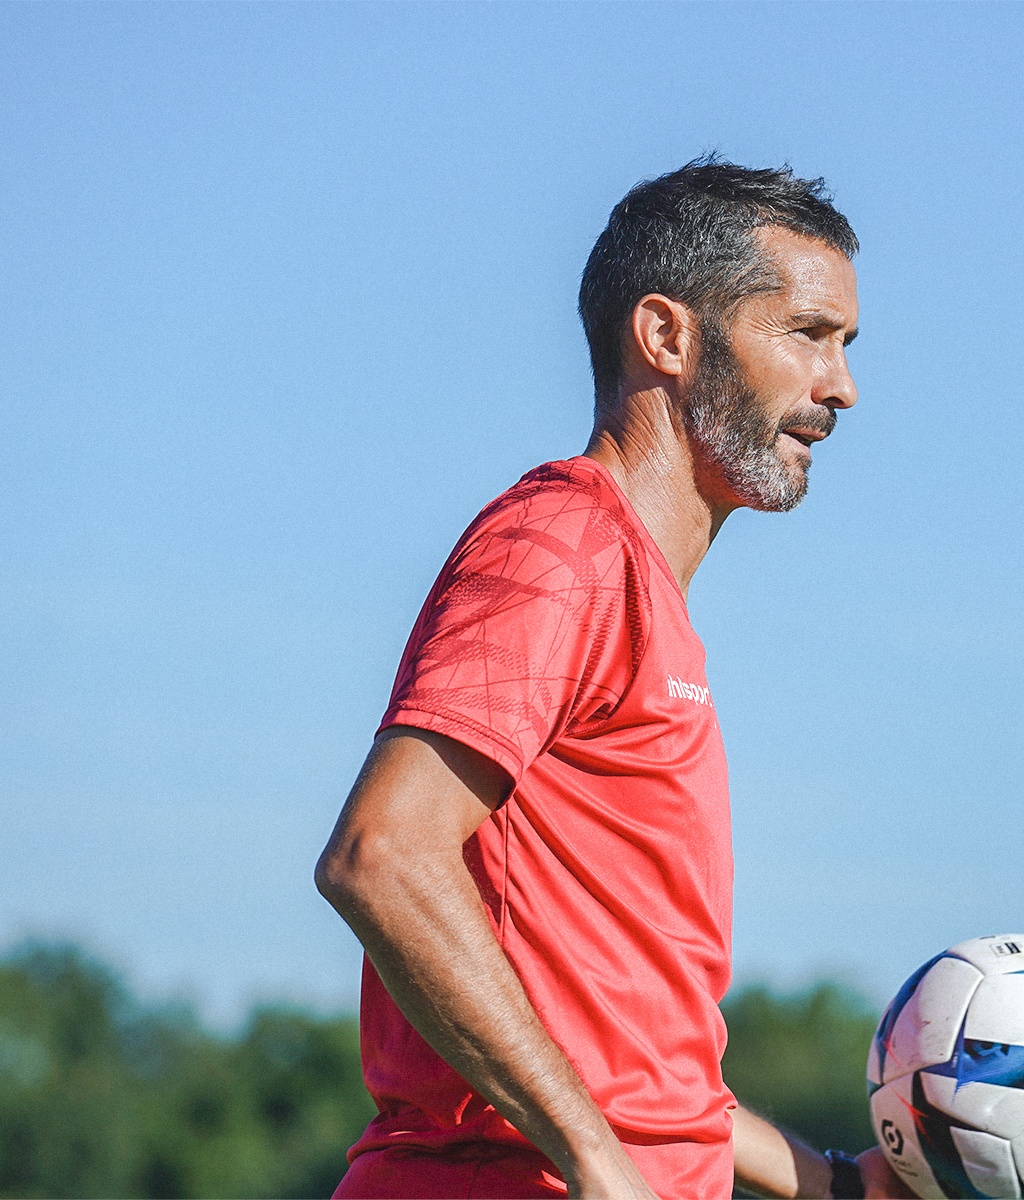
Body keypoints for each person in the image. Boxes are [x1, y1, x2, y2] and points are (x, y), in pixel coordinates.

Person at [315, 158, 906, 1200]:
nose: (841, 386)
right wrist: (593, 1157)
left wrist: (839, 1185)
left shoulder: (644, 599)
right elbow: (383, 854)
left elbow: (644, 1076)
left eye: (846, 345)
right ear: (667, 336)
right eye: (807, 334)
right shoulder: (562, 545)